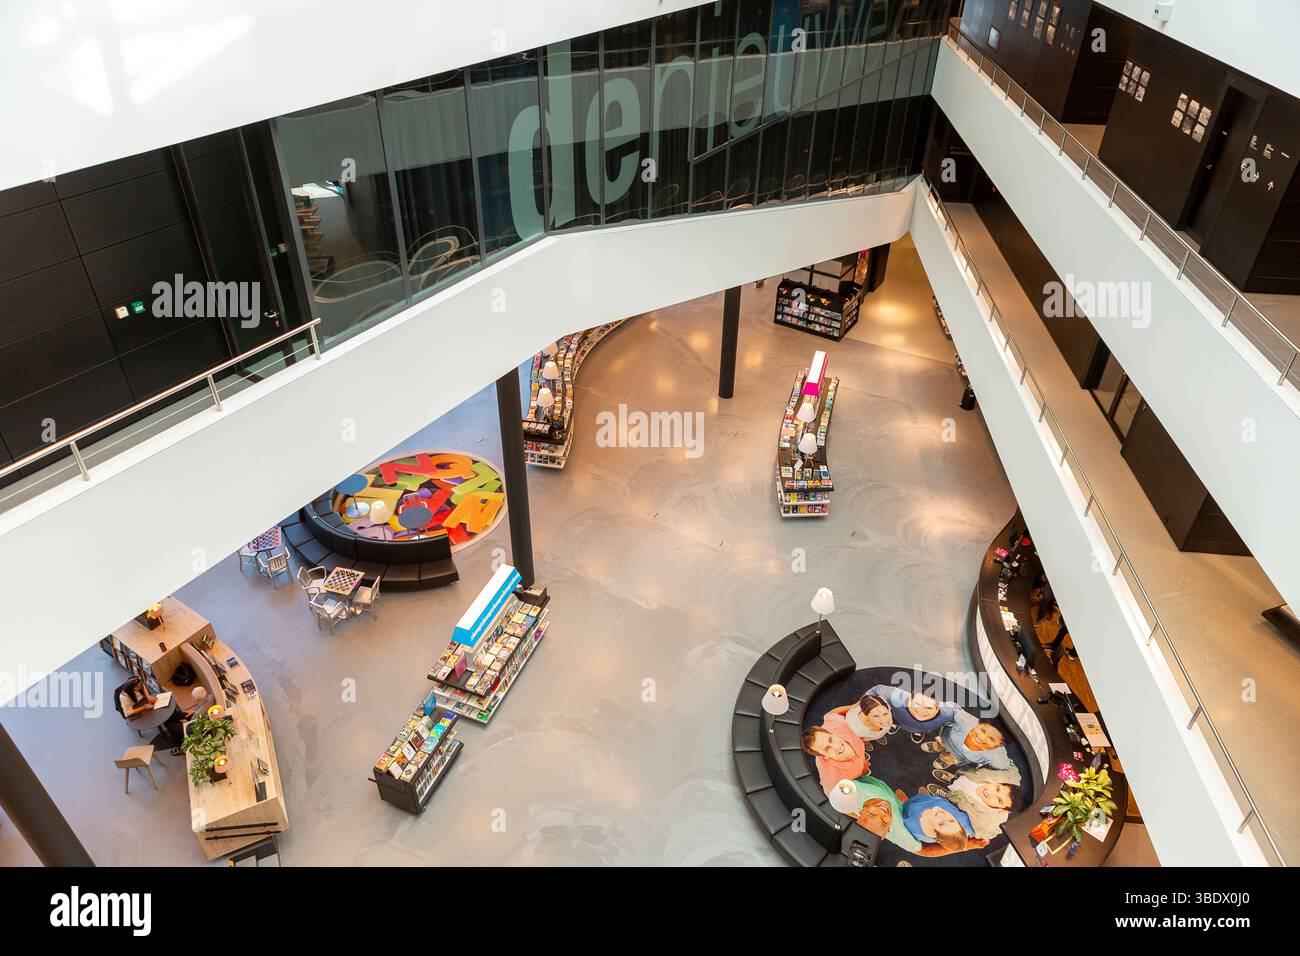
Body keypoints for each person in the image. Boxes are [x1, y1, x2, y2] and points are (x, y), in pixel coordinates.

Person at [930, 766, 1019, 840]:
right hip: (964, 778)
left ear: (1003, 809)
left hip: (957, 801)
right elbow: (1012, 768)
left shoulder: (988, 824)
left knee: (951, 805)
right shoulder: (1006, 776)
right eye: (997, 789)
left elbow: (980, 835)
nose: (989, 793)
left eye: (999, 800)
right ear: (1000, 783)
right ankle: (953, 780)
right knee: (957, 780)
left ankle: (947, 796)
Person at [923, 708, 1015, 773]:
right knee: (940, 744)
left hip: (959, 758)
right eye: (982, 730)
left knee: (950, 759)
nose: (982, 738)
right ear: (977, 723)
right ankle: (937, 747)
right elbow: (948, 710)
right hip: (946, 739)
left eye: (991, 739)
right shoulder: (964, 720)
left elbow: (1006, 770)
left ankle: (947, 760)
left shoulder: (997, 757)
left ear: (998, 745)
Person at [801, 714, 869, 794]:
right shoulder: (834, 780)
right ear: (824, 756)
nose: (836, 747)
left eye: (830, 739)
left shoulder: (837, 725)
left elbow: (831, 714)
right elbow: (831, 796)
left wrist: (854, 705)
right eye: (827, 749)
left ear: (832, 734)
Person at [865, 683, 955, 736]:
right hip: (896, 719)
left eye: (928, 707)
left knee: (919, 730)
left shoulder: (947, 713)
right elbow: (876, 690)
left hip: (921, 728)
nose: (921, 711)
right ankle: (893, 725)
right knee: (892, 720)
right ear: (910, 701)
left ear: (937, 708)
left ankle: (917, 732)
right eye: (917, 704)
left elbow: (959, 713)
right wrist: (860, 706)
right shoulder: (895, 697)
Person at [900, 791, 977, 853]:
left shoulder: (914, 828)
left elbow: (901, 820)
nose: (942, 815)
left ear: (934, 833)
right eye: (951, 820)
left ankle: (903, 802)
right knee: (923, 797)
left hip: (910, 809)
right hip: (928, 800)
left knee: (905, 807)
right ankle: (924, 795)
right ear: (959, 823)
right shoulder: (961, 817)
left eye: (941, 824)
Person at [824, 693, 893, 744]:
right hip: (863, 736)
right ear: (866, 715)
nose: (885, 720)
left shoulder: (884, 704)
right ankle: (874, 738)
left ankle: (880, 735)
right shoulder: (856, 730)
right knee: (866, 739)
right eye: (876, 716)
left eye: (885, 714)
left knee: (881, 731)